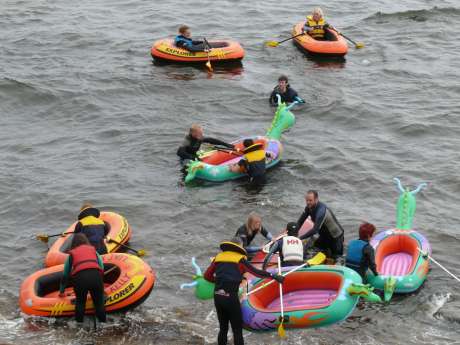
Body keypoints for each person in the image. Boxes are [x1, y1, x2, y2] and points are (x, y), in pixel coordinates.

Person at [204, 238, 284, 345]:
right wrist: (273, 276)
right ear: (239, 246)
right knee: (237, 330)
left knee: (223, 328)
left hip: (218, 296)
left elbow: (207, 276)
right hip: (230, 298)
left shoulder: (218, 257)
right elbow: (256, 272)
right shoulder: (240, 259)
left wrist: (219, 281)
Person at [59, 233, 106, 324]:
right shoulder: (93, 251)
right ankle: (103, 324)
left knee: (80, 303)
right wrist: (100, 284)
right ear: (86, 241)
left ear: (73, 243)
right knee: (99, 303)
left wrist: (62, 291)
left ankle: (79, 326)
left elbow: (65, 275)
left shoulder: (72, 254)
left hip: (80, 279)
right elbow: (102, 267)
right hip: (96, 276)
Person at [296, 190, 344, 261]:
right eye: (307, 200)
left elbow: (315, 230)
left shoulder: (321, 211)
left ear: (316, 199)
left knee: (336, 258)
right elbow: (300, 222)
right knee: (314, 248)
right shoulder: (308, 208)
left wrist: (300, 238)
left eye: (310, 200)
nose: (308, 202)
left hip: (336, 237)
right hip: (324, 236)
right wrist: (293, 234)